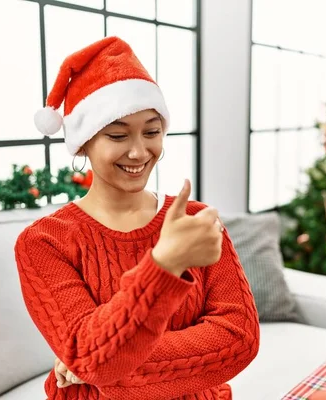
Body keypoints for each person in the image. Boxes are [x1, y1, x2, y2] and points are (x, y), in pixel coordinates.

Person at [15, 36, 260, 400]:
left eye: (152, 131)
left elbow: (239, 340)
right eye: (117, 135)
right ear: (83, 142)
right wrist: (165, 265)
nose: (138, 151)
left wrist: (101, 364)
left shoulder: (195, 220)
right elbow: (92, 360)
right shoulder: (44, 242)